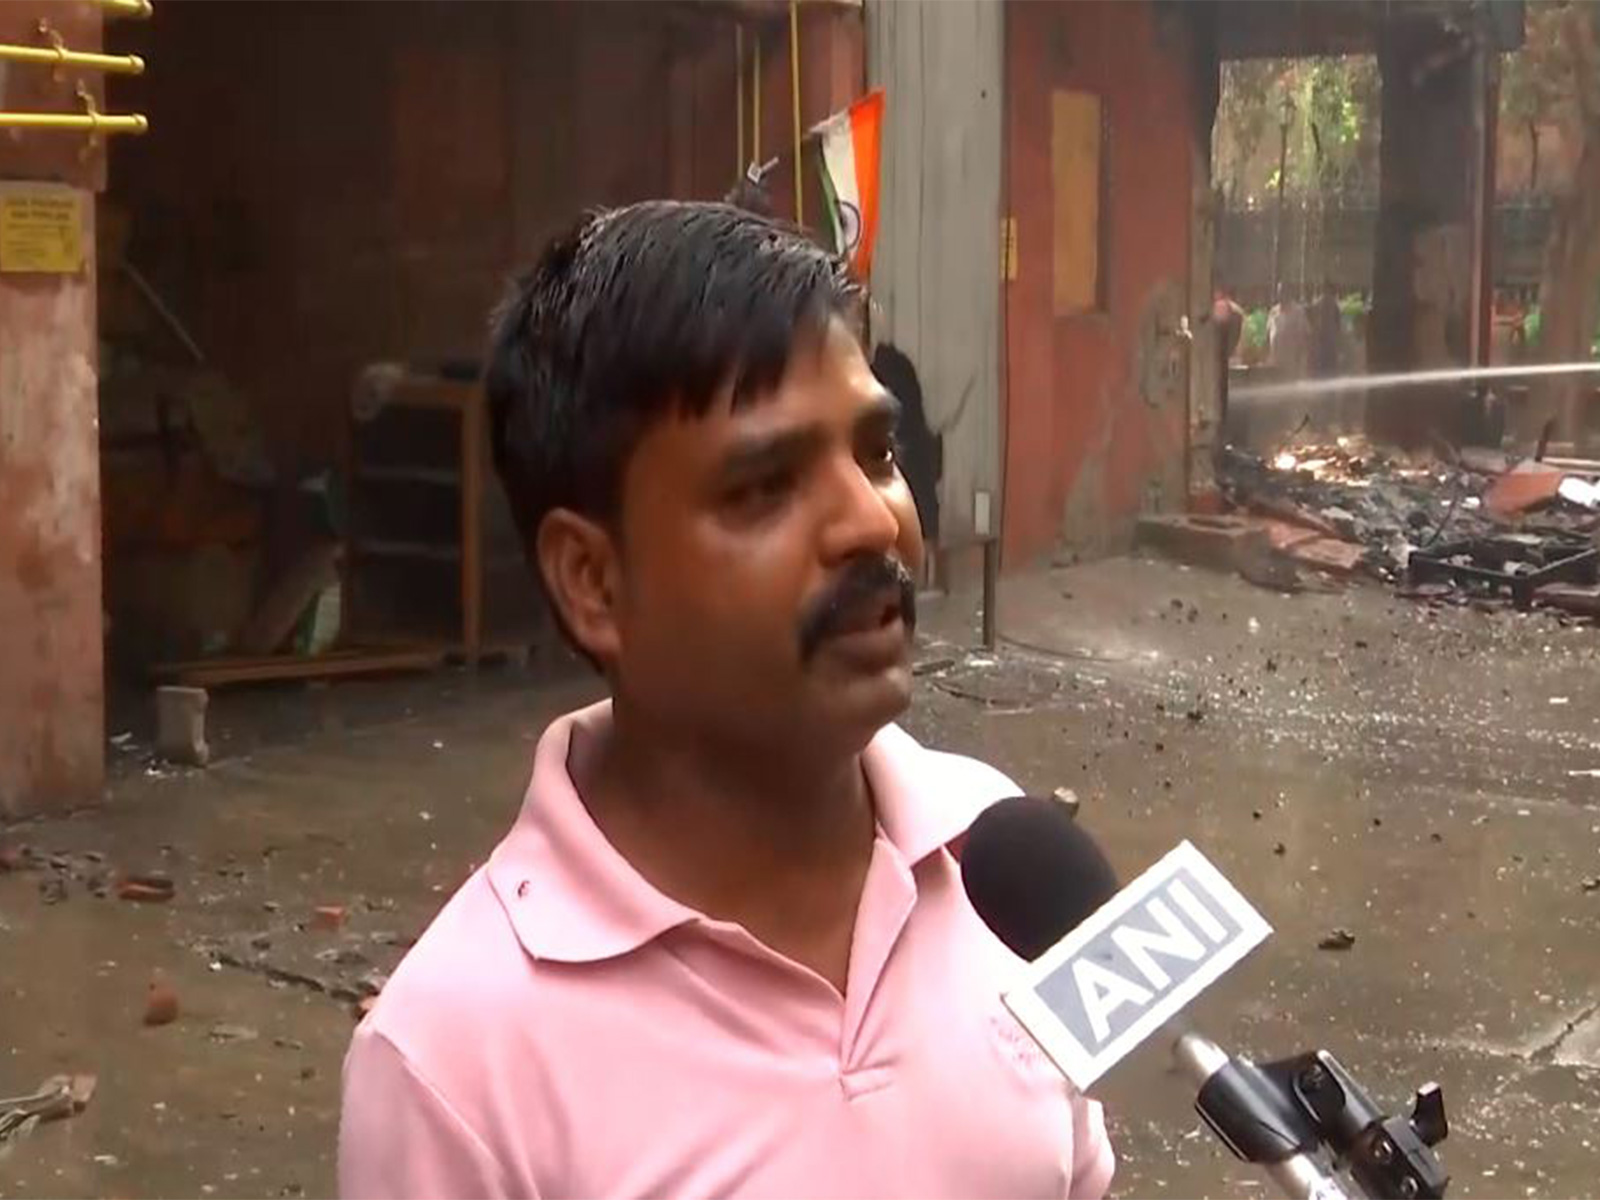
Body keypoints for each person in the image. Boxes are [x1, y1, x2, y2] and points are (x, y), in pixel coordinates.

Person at [338, 201, 1114, 1199]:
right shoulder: (453, 1066)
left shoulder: (1000, 859)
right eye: (765, 488)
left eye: (876, 456)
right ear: (594, 582)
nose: (872, 523)